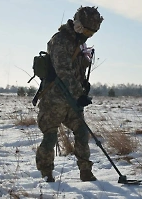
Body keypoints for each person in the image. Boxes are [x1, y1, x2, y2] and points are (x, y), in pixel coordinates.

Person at [35, 6, 103, 182]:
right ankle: (46, 174)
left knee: (81, 132)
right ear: (78, 25)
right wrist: (79, 93)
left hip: (72, 100)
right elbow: (63, 71)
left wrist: (83, 85)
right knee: (50, 137)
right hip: (54, 100)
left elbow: (76, 70)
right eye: (87, 30)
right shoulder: (60, 40)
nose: (88, 35)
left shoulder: (79, 43)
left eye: (92, 32)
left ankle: (86, 172)